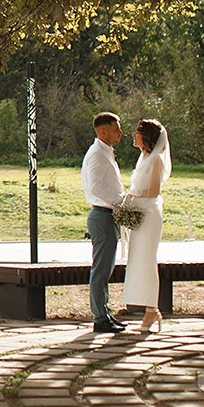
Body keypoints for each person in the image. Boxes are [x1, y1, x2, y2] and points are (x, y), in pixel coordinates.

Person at [120, 118, 173, 333]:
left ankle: (152, 310)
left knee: (148, 260)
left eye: (137, 132)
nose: (134, 135)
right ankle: (150, 308)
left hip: (148, 214)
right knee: (138, 260)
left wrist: (132, 197)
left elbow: (153, 191)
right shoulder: (143, 157)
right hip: (139, 212)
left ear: (146, 136)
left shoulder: (156, 160)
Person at [81, 112, 128, 333]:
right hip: (102, 215)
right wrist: (120, 201)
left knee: (105, 269)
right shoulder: (97, 155)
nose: (120, 132)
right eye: (116, 129)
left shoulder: (105, 152)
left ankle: (104, 313)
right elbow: (95, 186)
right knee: (100, 270)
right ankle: (100, 317)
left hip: (107, 214)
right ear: (103, 132)